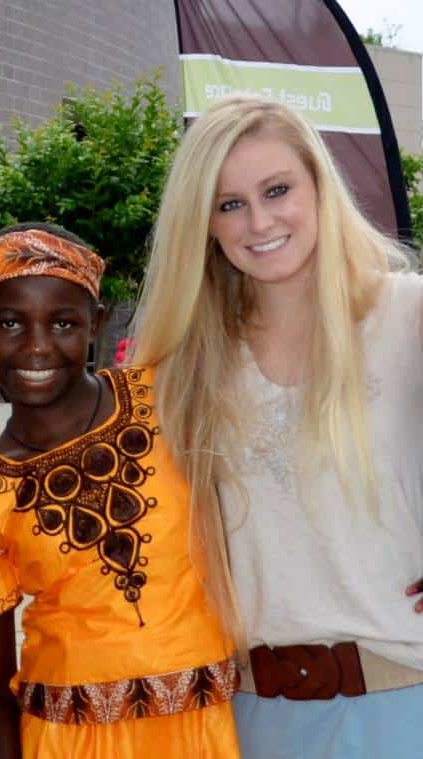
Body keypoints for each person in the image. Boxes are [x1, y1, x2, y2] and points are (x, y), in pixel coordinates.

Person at [130, 94, 423, 758]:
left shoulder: (408, 316)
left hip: (404, 706)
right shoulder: (186, 366)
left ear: (319, 186)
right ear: (202, 223)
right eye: (229, 203)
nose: (259, 221)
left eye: (277, 189)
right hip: (249, 720)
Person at [0, 223, 241, 759]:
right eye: (10, 323)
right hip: (69, 735)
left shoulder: (167, 398)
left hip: (202, 723)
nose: (37, 346)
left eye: (63, 322)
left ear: (97, 323)